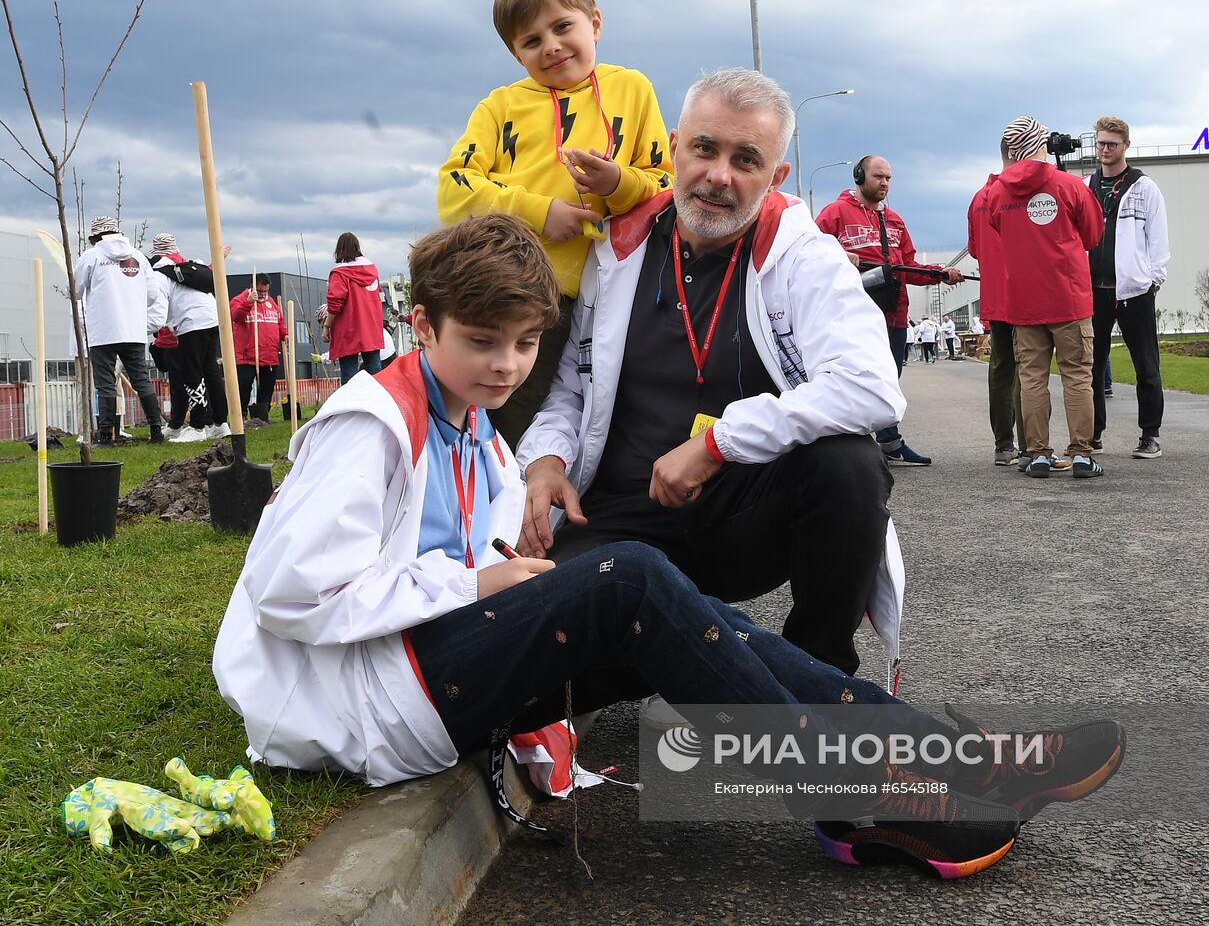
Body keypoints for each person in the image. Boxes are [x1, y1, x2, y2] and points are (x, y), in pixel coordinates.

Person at [213, 212, 1125, 879]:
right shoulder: (368, 422)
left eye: (527, 345)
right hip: (371, 698)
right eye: (482, 342)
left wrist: (505, 549)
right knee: (633, 580)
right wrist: (476, 580)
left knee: (689, 615)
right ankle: (860, 797)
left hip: (424, 661)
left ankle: (951, 760)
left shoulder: (470, 418)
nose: (505, 366)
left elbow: (469, 536)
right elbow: (291, 593)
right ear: (422, 325)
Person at [518, 69, 903, 677]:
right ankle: (717, 651)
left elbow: (871, 387)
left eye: (745, 158)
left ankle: (820, 673)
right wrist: (545, 463)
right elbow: (571, 387)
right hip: (621, 511)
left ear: (776, 176)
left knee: (849, 464)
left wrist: (718, 441)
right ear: (675, 147)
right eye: (704, 148)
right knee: (538, 632)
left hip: (740, 515)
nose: (718, 176)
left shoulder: (802, 254)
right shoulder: (616, 251)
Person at [437, 0, 674, 449]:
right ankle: (485, 508)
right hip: (507, 294)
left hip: (603, 299)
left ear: (595, 23)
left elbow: (663, 187)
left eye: (562, 26)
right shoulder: (500, 107)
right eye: (531, 40)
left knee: (586, 416)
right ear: (515, 52)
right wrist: (543, 213)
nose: (551, 46)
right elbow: (453, 190)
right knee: (498, 419)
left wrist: (617, 184)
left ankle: (551, 512)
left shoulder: (632, 89)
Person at [815, 156, 964, 467]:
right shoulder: (834, 214)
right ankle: (848, 447)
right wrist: (839, 255)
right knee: (853, 380)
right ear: (859, 176)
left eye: (889, 178)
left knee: (887, 381)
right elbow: (810, 254)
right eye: (878, 176)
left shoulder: (895, 220)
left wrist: (940, 273)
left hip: (893, 316)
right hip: (851, 318)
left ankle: (888, 443)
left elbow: (909, 267)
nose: (884, 183)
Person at [987, 116, 1105, 480]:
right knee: (1077, 376)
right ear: (1041, 144)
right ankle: (1082, 453)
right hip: (1068, 298)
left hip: (1024, 301)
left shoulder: (995, 193)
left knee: (1032, 378)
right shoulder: (1070, 186)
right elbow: (1093, 235)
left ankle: (1037, 453)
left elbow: (997, 229)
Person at [1087, 117, 1170, 459]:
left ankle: (1150, 434)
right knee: (1091, 365)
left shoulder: (1144, 187)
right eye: (1101, 144)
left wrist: (1152, 279)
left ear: (1126, 146)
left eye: (1112, 144)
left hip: (1134, 291)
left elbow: (1158, 238)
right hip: (1094, 290)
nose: (1105, 150)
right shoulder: (1086, 187)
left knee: (1146, 365)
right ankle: (1092, 434)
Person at [73, 216, 167, 445]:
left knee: (105, 383)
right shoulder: (138, 257)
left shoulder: (91, 256)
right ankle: (156, 430)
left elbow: (74, 290)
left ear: (95, 237)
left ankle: (106, 435)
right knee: (141, 380)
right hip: (133, 330)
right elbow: (154, 294)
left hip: (102, 331)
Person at [967, 139, 1025, 466]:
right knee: (1029, 369)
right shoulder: (1020, 195)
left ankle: (1004, 444)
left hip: (996, 298)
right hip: (1026, 295)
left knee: (1002, 369)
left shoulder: (979, 198)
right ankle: (1034, 445)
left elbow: (975, 250)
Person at [151, 233, 230, 442]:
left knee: (192, 373)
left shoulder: (160, 273)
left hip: (191, 323)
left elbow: (159, 308)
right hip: (212, 318)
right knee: (211, 370)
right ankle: (221, 424)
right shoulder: (191, 266)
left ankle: (197, 427)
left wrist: (146, 326)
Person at [324, 232, 384, 385]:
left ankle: (351, 407)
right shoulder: (372, 270)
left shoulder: (340, 273)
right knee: (375, 374)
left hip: (348, 329)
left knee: (349, 375)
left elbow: (335, 303)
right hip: (371, 328)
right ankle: (377, 406)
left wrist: (327, 326)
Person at [229, 273, 288, 422]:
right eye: (260, 291)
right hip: (246, 356)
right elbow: (235, 316)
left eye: (265, 291)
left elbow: (279, 321)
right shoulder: (240, 299)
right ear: (252, 286)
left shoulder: (272, 303)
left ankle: (262, 416)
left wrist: (284, 334)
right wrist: (248, 302)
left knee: (267, 388)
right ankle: (240, 416)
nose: (262, 294)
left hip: (269, 356)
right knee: (243, 388)